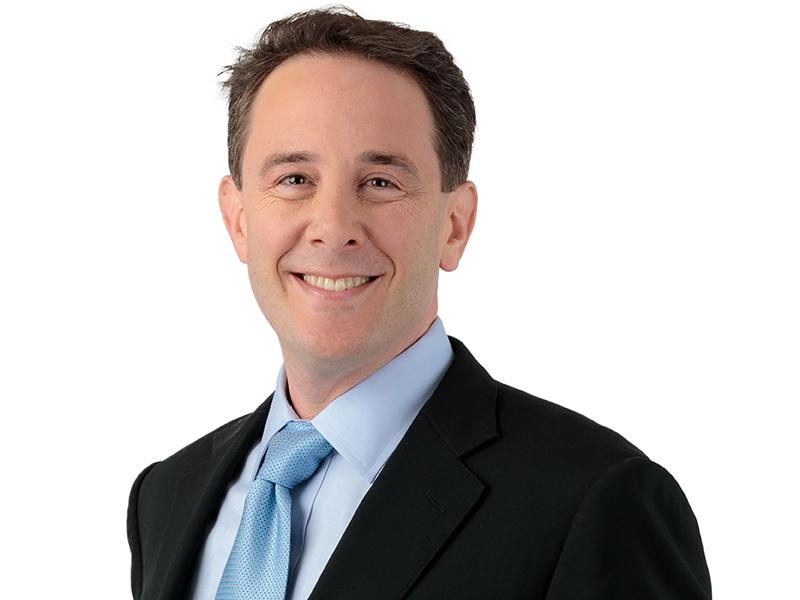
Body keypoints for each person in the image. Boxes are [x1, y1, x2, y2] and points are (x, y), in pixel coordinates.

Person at [127, 7, 711, 599]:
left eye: (380, 182)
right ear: (238, 220)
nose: (333, 227)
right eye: (294, 179)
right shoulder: (167, 496)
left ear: (455, 225)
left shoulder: (593, 499)